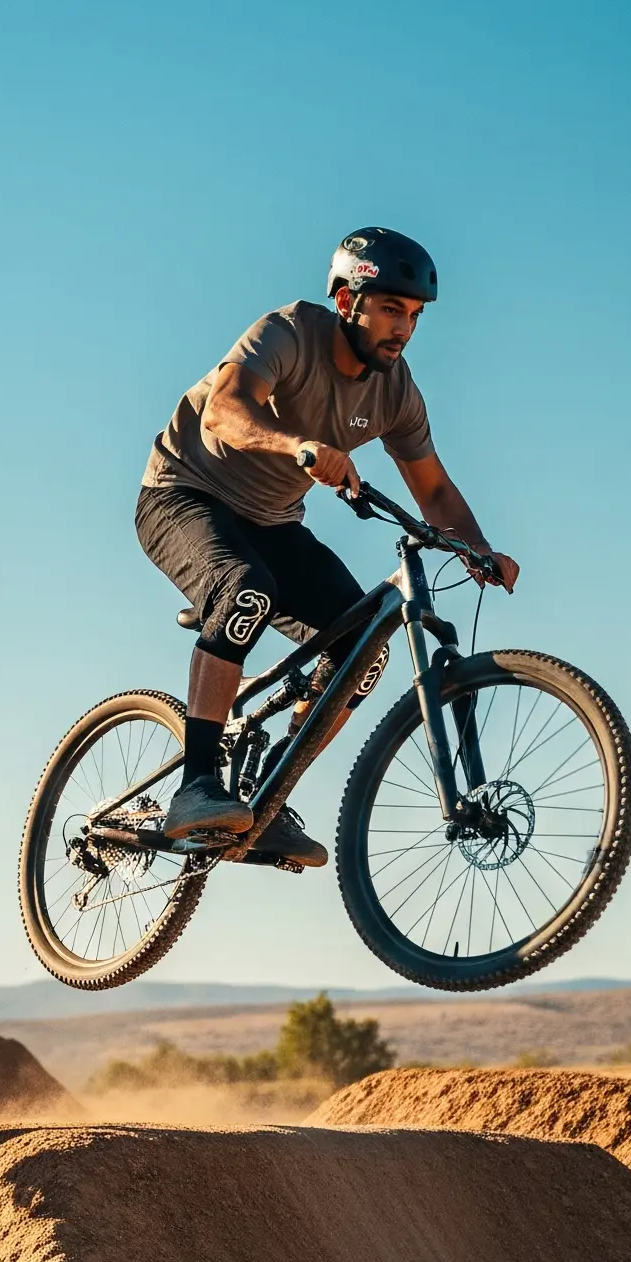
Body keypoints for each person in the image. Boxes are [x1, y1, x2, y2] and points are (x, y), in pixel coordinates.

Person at [136, 227, 518, 865]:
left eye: (415, 316)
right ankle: (196, 786)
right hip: (184, 493)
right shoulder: (286, 333)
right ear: (347, 302)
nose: (404, 328)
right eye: (391, 308)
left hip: (271, 520)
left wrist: (477, 548)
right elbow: (222, 413)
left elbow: (436, 491)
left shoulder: (395, 392)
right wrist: (298, 447)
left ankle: (264, 796)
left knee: (362, 649)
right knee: (245, 590)